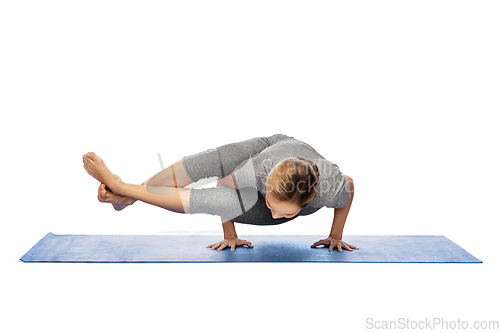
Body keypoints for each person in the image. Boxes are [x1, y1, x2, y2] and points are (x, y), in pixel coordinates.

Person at [82, 134, 358, 252]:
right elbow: (222, 182)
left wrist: (335, 236)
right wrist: (230, 235)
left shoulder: (328, 189)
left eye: (283, 211)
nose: (274, 215)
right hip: (273, 145)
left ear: (310, 200)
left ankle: (126, 191)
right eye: (273, 205)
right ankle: (128, 194)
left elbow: (350, 186)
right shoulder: (257, 172)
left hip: (289, 179)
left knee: (225, 202)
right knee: (214, 161)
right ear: (267, 186)